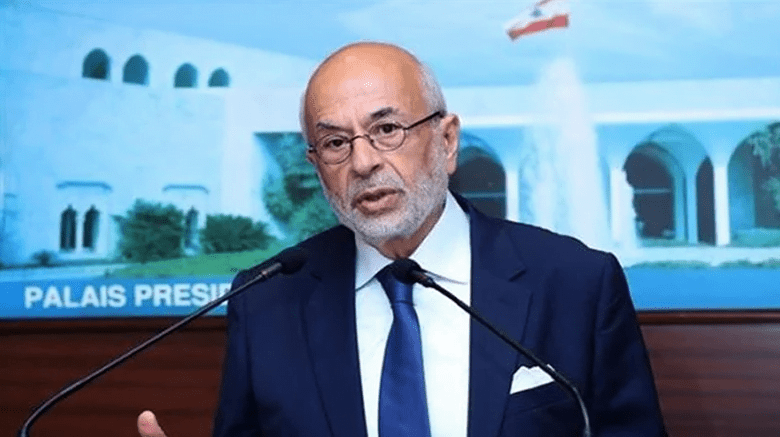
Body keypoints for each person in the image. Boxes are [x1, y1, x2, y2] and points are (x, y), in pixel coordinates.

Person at [138, 42, 666, 437]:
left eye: (387, 130)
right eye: (335, 142)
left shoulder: (576, 283)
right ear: (318, 167)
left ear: (447, 140)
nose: (363, 162)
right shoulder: (267, 300)